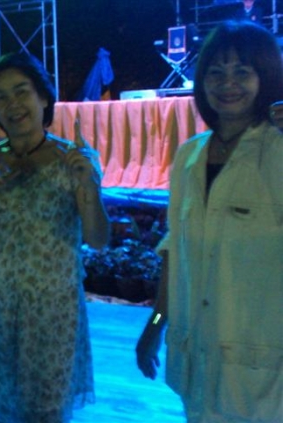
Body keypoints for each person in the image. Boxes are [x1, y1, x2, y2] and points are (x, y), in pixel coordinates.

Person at [0, 53, 110, 422]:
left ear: (44, 97)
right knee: (5, 412)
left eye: (22, 92)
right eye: (1, 97)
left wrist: (88, 187)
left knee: (48, 414)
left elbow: (99, 239)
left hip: (53, 314)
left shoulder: (75, 160)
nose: (13, 104)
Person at [135, 21, 283, 423]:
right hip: (196, 358)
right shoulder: (189, 156)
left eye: (242, 72)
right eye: (215, 72)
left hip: (262, 367)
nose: (227, 83)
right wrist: (156, 324)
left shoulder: (277, 152)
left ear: (265, 77)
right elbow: (174, 252)